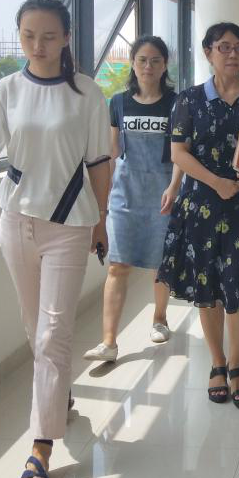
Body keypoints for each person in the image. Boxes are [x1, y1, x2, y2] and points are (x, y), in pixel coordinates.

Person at [0, 0, 111, 478]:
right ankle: (58, 394)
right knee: (33, 324)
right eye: (28, 36)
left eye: (48, 36)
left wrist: (102, 220)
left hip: (70, 224)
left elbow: (99, 163)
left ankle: (41, 445)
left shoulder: (88, 94)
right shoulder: (6, 91)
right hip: (17, 221)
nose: (38, 45)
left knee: (53, 332)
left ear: (66, 38)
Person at [157, 22, 239, 409]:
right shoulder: (189, 100)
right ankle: (216, 362)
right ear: (208, 52)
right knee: (207, 286)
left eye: (238, 47)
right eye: (223, 47)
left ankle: (236, 362)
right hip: (202, 206)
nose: (232, 54)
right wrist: (216, 182)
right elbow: (179, 153)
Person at [83, 36, 184, 363]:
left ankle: (160, 318)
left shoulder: (177, 103)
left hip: (162, 192)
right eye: (142, 60)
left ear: (165, 65)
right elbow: (112, 152)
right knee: (117, 265)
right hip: (125, 193)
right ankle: (109, 342)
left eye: (155, 60)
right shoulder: (118, 103)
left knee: (160, 263)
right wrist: (104, 198)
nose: (148, 66)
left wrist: (174, 187)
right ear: (132, 63)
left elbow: (182, 152)